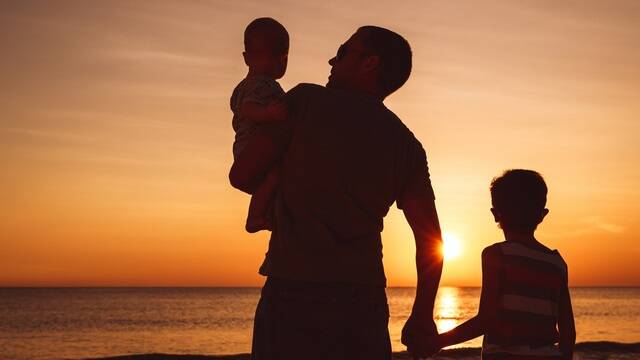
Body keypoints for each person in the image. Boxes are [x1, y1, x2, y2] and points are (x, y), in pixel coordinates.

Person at [230, 25, 443, 360]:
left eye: (343, 51)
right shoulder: (407, 144)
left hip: (293, 292)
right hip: (364, 302)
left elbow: (242, 175)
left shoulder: (303, 101)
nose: (331, 59)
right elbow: (431, 240)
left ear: (369, 63)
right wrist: (422, 315)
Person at [431, 169, 576, 359]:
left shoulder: (496, 255)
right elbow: (568, 333)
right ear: (542, 214)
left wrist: (437, 342)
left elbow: (486, 319)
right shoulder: (556, 263)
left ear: (495, 214)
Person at [229, 17, 289, 233]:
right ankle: (255, 216)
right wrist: (268, 113)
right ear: (247, 58)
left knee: (272, 182)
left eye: (280, 57)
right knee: (274, 176)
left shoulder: (252, 85)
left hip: (251, 145)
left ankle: (267, 214)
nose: (277, 63)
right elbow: (247, 108)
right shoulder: (259, 84)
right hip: (251, 145)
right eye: (268, 57)